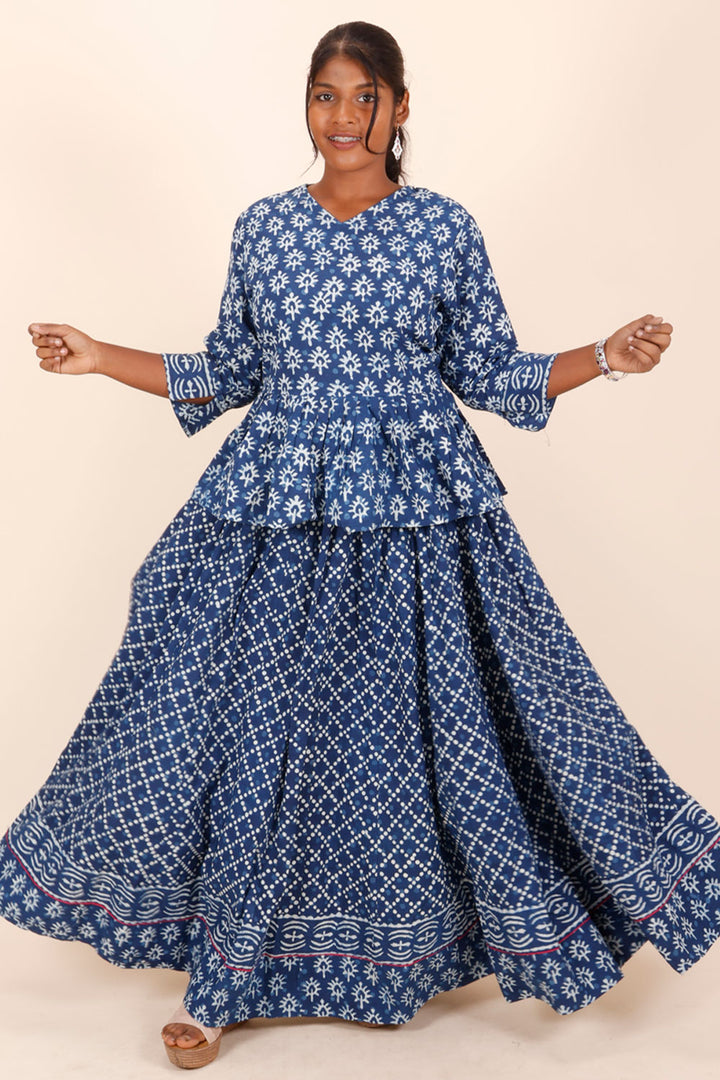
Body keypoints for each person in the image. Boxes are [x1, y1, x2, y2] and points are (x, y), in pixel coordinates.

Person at [3, 19, 719, 1072]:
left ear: (400, 107)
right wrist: (97, 354)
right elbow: (229, 369)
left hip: (414, 520)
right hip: (278, 513)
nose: (342, 117)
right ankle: (221, 984)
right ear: (307, 104)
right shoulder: (263, 228)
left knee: (426, 742)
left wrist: (604, 356)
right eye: (325, 96)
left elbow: (492, 372)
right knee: (249, 736)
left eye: (363, 96)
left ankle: (399, 962)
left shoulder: (443, 229)